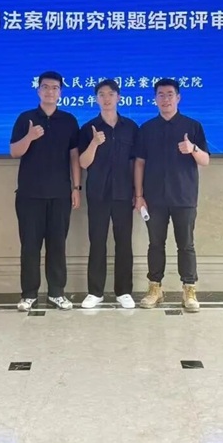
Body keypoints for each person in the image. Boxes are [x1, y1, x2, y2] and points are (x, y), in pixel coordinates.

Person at [134, 78, 210, 312]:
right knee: (155, 244)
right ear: (155, 99)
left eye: (169, 94)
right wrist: (139, 195)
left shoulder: (193, 126)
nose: (165, 99)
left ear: (178, 97)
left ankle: (189, 290)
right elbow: (139, 163)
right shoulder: (147, 128)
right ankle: (155, 289)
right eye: (161, 94)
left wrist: (192, 149)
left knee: (186, 245)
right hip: (154, 198)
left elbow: (205, 160)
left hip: (184, 197)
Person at [10, 71, 81, 311]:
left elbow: (74, 156)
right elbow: (14, 152)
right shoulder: (26, 118)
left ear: (60, 92)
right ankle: (29, 294)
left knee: (57, 246)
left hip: (60, 194)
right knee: (30, 246)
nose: (50, 91)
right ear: (38, 90)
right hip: (29, 194)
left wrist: (76, 187)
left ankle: (56, 292)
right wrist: (30, 137)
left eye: (55, 88)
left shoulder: (69, 120)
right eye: (46, 87)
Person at [78, 79, 139, 309]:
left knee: (124, 242)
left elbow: (136, 163)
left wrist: (138, 193)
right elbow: (83, 163)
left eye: (111, 94)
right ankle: (95, 292)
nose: (106, 98)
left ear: (118, 97)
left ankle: (124, 291)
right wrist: (94, 143)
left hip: (124, 193)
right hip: (98, 193)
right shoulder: (88, 128)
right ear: (96, 99)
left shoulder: (130, 127)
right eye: (101, 94)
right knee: (97, 242)